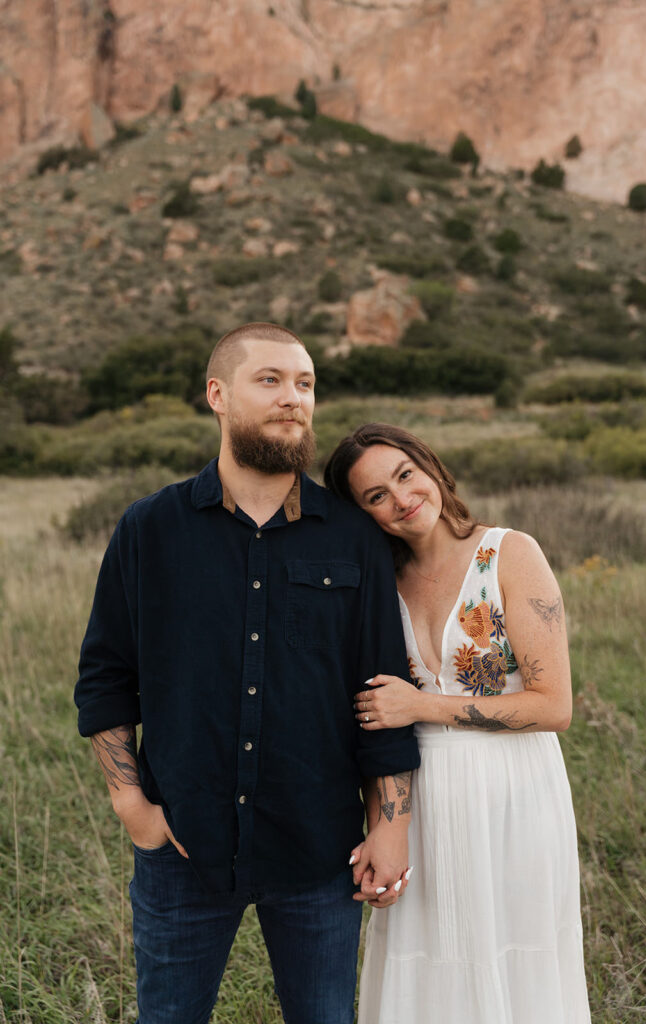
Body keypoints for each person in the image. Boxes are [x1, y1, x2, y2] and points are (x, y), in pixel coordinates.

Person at [74, 325, 420, 1024]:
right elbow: (106, 676)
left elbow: (381, 693)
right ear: (217, 395)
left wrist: (390, 826)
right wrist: (131, 807)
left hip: (319, 849)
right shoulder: (150, 529)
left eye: (305, 383)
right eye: (269, 380)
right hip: (182, 845)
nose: (292, 398)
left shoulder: (352, 538)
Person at [324, 423, 592, 1024]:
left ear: (430, 468)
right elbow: (374, 720)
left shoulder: (509, 553)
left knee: (514, 958)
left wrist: (425, 707)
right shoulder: (378, 584)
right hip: (422, 800)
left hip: (514, 795)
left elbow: (554, 706)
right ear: (364, 515)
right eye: (375, 496)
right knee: (427, 961)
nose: (400, 498)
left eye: (404, 475)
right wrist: (381, 826)